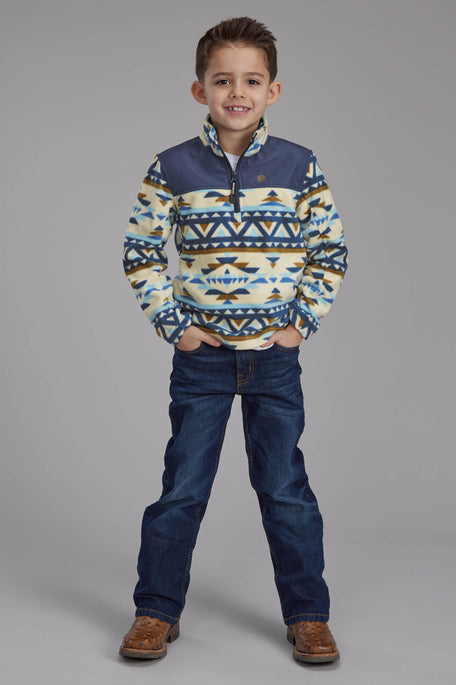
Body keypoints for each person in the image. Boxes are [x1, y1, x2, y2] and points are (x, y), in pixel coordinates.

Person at [119, 16, 348, 664]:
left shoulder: (299, 164)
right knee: (183, 488)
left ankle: (309, 615)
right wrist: (176, 327)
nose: (237, 92)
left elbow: (330, 250)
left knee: (284, 489)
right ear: (201, 90)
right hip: (203, 361)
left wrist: (300, 325)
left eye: (251, 80)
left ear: (273, 90)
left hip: (273, 360)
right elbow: (140, 250)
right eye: (223, 80)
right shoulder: (172, 166)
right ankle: (155, 610)